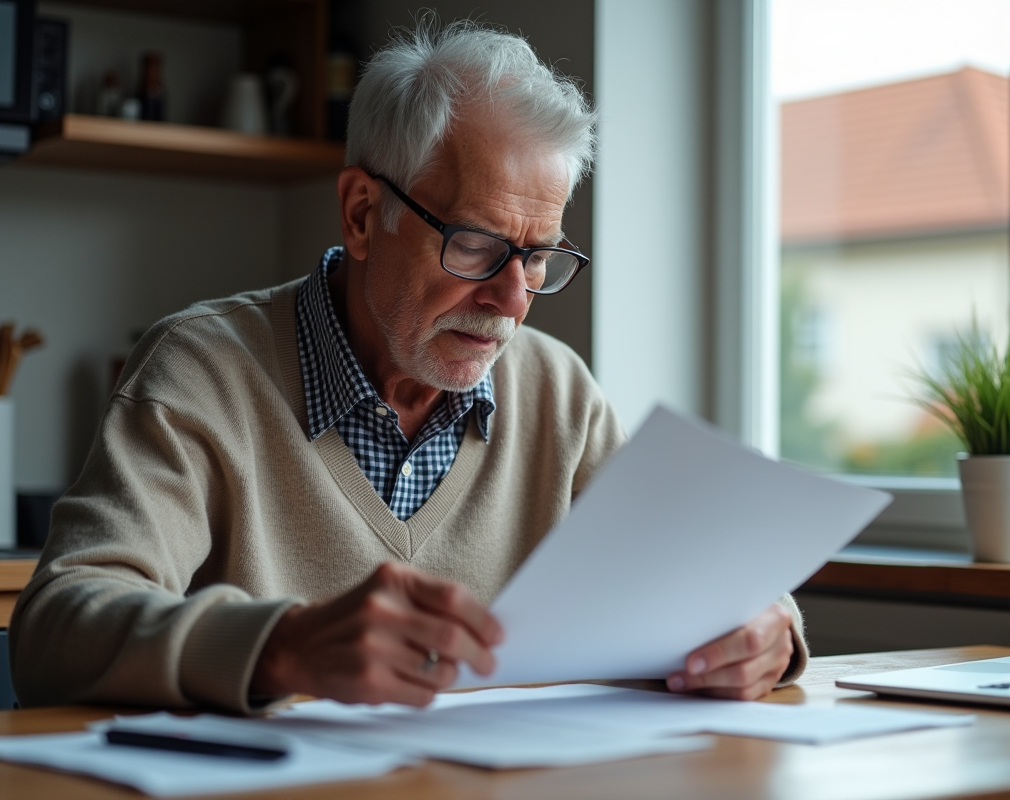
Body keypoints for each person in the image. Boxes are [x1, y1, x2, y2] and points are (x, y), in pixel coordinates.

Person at [10, 21, 807, 714]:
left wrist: (764, 631)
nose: (512, 301)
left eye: (537, 258)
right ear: (362, 213)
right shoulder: (202, 369)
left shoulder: (558, 392)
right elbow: (53, 633)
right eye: (477, 246)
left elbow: (703, 579)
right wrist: (280, 646)